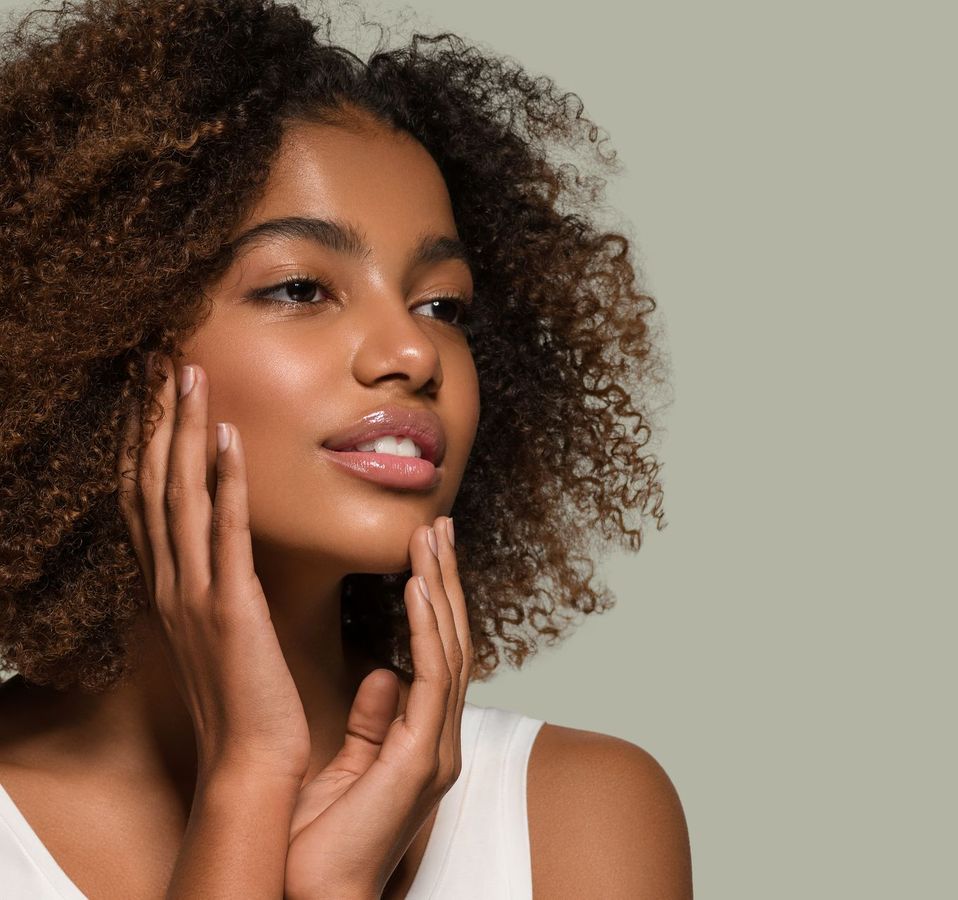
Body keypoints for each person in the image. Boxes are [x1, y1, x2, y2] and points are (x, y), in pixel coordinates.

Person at [0, 0, 691, 896]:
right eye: (299, 288)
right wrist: (248, 776)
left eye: (442, 305)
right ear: (92, 341)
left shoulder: (575, 817)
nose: (412, 352)